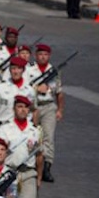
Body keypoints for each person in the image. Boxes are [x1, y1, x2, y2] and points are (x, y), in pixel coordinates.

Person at [24, 44, 63, 183]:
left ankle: (47, 166)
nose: (43, 57)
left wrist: (60, 110)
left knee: (48, 137)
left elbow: (59, 92)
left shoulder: (53, 71)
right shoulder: (28, 70)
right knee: (30, 135)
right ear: (36, 55)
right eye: (40, 54)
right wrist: (36, 88)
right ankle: (30, 163)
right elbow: (24, 87)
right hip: (32, 106)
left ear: (49, 56)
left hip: (48, 107)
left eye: (46, 54)